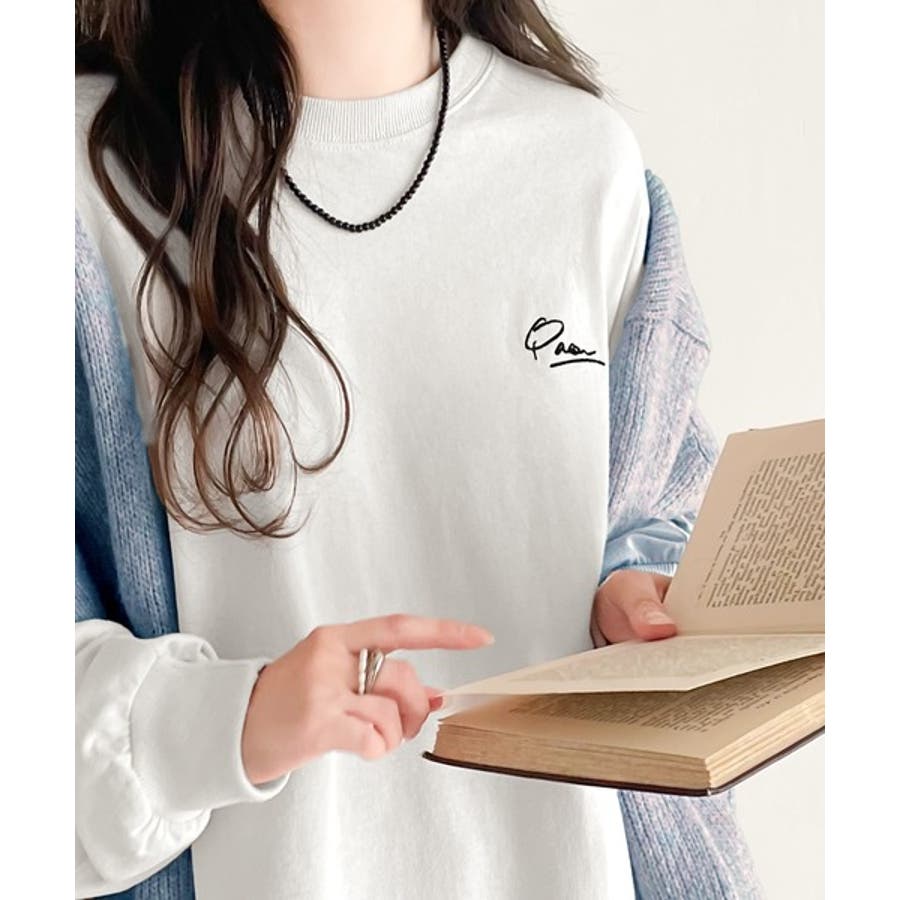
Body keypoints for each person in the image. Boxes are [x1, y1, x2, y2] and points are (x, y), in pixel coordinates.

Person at [75, 2, 762, 898]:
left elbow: (651, 513)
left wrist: (633, 596)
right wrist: (236, 719)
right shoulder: (79, 177)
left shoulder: (581, 160)